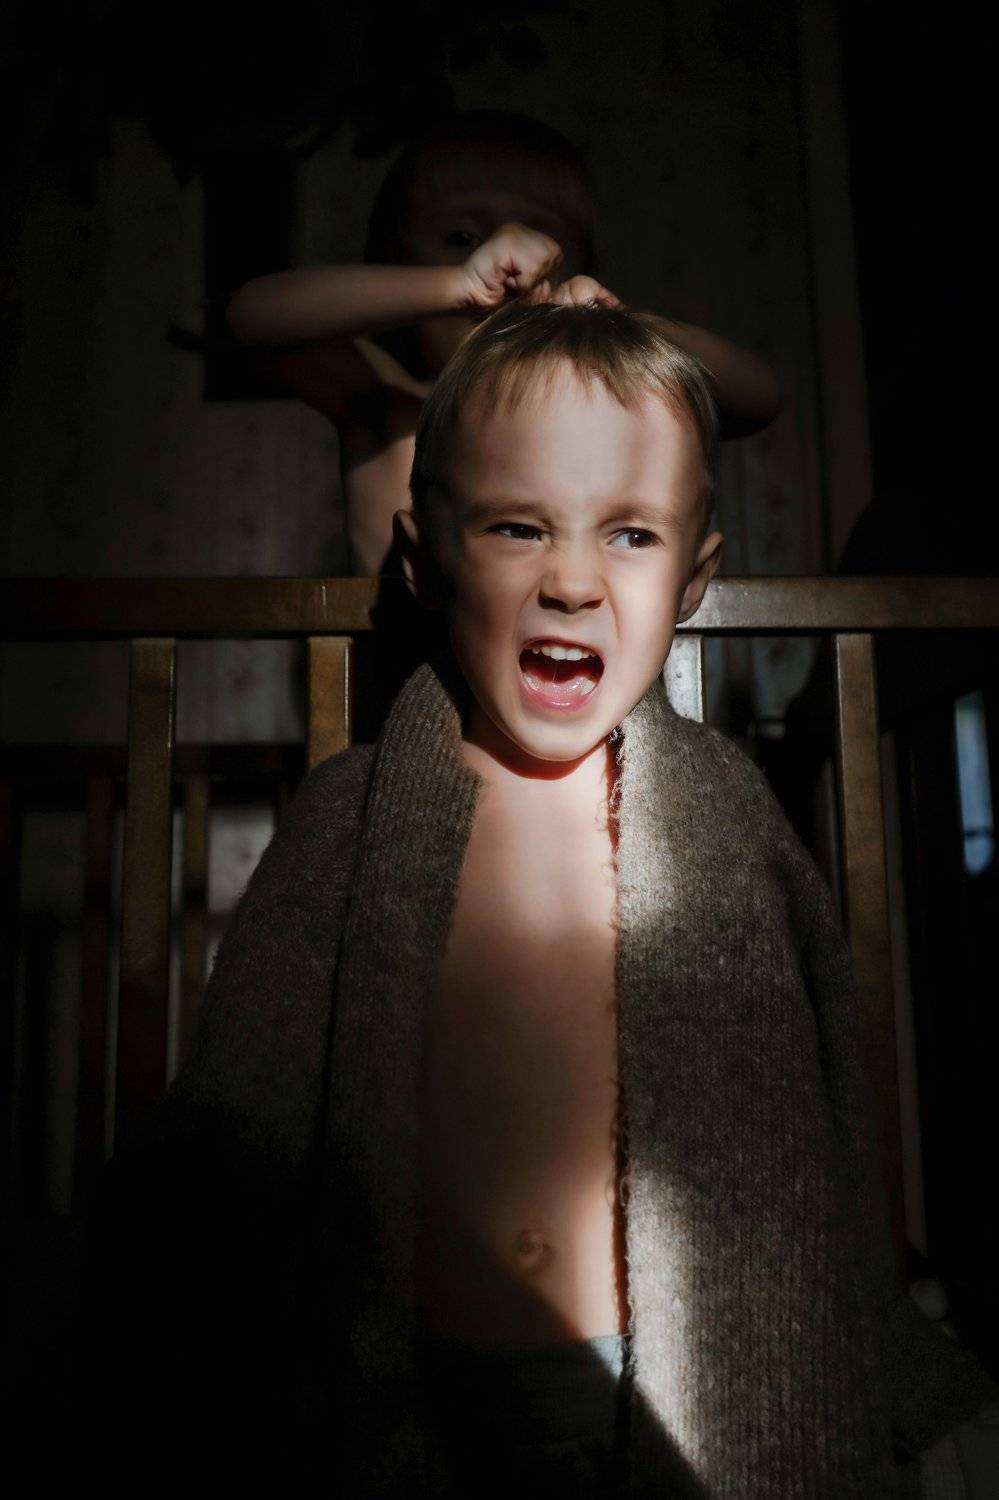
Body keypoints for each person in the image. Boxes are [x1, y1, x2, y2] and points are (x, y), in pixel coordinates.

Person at [84, 302, 995, 1498]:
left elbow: (820, 1095)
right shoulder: (352, 817)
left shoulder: (725, 815)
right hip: (425, 1387)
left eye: (630, 534)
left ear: (694, 579)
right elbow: (242, 1118)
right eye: (519, 527)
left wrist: (876, 1332)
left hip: (670, 1394)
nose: (571, 581)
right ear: (426, 561)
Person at [225, 110, 781, 579]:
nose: (508, 265)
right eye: (462, 238)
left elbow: (759, 397)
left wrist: (619, 322)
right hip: (403, 677)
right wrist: (456, 285)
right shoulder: (385, 396)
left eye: (542, 243)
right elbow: (247, 318)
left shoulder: (600, 402)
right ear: (398, 263)